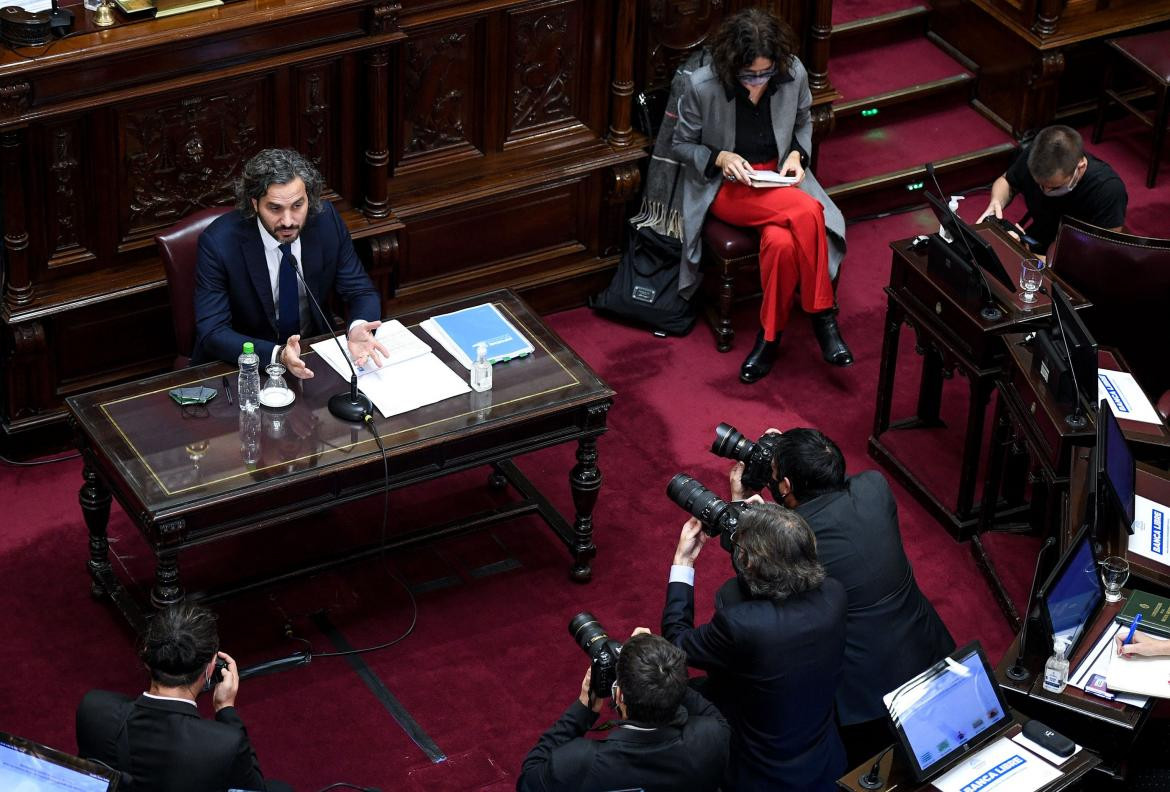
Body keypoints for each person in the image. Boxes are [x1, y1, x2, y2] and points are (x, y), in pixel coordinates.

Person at [729, 427, 955, 766]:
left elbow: (751, 575)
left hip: (865, 693)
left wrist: (738, 506)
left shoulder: (791, 539)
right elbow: (831, 487)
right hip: (928, 649)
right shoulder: (874, 487)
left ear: (785, 486)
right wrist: (799, 455)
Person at [672, 8, 850, 384]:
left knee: (782, 244)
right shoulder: (702, 85)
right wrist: (720, 156)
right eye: (749, 75)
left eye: (765, 74)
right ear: (731, 65)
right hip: (728, 186)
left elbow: (803, 121)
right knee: (808, 212)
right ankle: (823, 317)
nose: (757, 83)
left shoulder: (794, 73)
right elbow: (681, 145)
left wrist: (798, 157)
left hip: (780, 179)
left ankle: (769, 339)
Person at [662, 502, 847, 791]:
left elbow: (677, 642)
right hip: (824, 761)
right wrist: (769, 525)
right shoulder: (834, 595)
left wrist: (682, 563)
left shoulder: (741, 624)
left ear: (748, 563)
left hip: (762, 776)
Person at [193, 148, 388, 377]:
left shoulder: (326, 221)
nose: (288, 221)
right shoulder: (218, 243)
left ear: (309, 198)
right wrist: (278, 355)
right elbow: (213, 332)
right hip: (244, 366)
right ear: (255, 203)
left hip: (311, 354)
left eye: (297, 205)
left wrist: (357, 327)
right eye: (275, 208)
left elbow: (361, 291)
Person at [75, 603, 283, 792]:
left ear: (147, 656)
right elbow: (255, 789)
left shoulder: (93, 708)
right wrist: (226, 709)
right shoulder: (223, 743)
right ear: (210, 668)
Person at [517, 632, 729, 792]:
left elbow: (528, 780)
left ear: (619, 697)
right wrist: (660, 669)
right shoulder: (710, 737)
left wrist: (584, 707)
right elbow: (705, 708)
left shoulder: (580, 761)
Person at [976, 124, 1127, 254]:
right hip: (1038, 239)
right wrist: (996, 202)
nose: (1045, 191)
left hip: (1073, 258)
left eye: (1054, 187)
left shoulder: (1108, 191)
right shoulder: (1037, 155)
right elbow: (1007, 181)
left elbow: (1103, 254)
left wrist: (1034, 260)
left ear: (1080, 168)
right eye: (1040, 185)